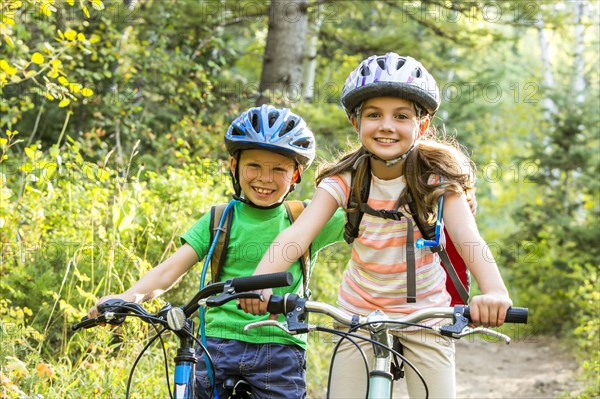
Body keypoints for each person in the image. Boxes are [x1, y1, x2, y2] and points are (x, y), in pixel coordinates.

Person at [240, 53, 513, 398]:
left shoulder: (436, 179)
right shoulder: (345, 179)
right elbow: (296, 235)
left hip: (426, 314)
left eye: (401, 116)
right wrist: (258, 282)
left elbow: (467, 238)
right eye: (373, 115)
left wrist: (495, 292)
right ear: (356, 122)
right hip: (357, 311)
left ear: (422, 125)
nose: (386, 125)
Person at [87, 104, 345, 398]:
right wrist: (125, 297)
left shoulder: (307, 217)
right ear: (233, 166)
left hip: (280, 347)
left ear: (296, 175)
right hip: (218, 344)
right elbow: (168, 271)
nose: (265, 178)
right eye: (254, 166)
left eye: (279, 169)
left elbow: (364, 214)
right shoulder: (218, 220)